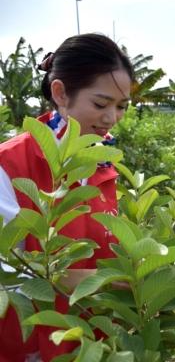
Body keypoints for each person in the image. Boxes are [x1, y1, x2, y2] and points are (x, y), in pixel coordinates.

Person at [0, 33, 133, 362]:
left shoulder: (104, 163)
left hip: (93, 346)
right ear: (60, 93)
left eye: (121, 107)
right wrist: (101, 280)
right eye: (101, 104)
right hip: (30, 349)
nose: (111, 118)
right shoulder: (10, 165)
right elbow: (7, 276)